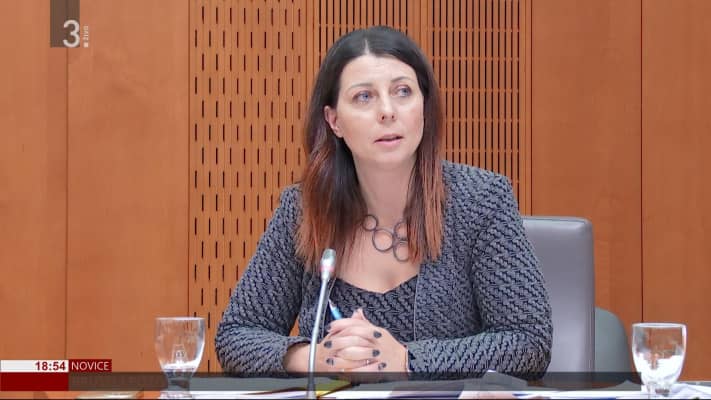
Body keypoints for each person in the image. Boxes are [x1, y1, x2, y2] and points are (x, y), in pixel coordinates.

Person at [215, 26, 552, 379]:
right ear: (334, 121)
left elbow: (528, 342)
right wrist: (317, 357)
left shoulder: (481, 200)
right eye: (364, 97)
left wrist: (405, 359)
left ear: (424, 107)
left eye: (403, 92)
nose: (387, 111)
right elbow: (237, 336)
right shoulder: (303, 209)